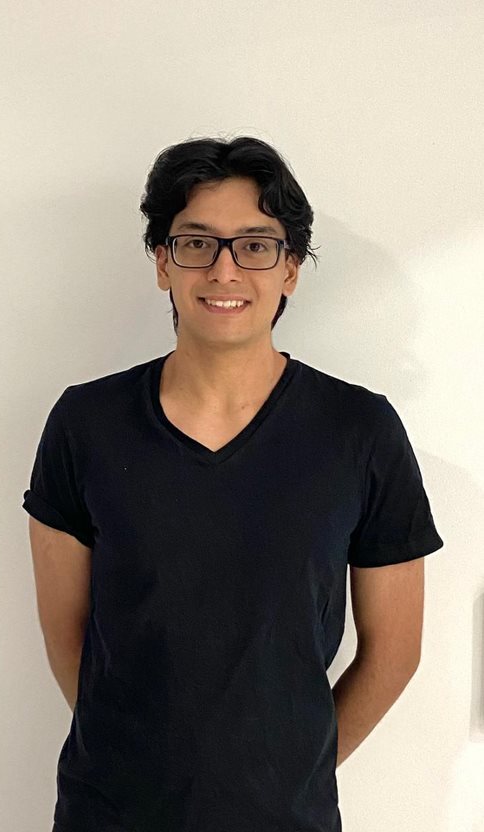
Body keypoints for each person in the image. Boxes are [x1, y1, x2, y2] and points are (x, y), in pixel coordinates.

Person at [23, 135, 444, 832]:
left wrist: (285, 776)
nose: (224, 269)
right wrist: (143, 768)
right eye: (196, 243)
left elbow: (395, 652)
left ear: (291, 270)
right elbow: (67, 632)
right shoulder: (85, 424)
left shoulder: (359, 431)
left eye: (255, 245)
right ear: (163, 263)